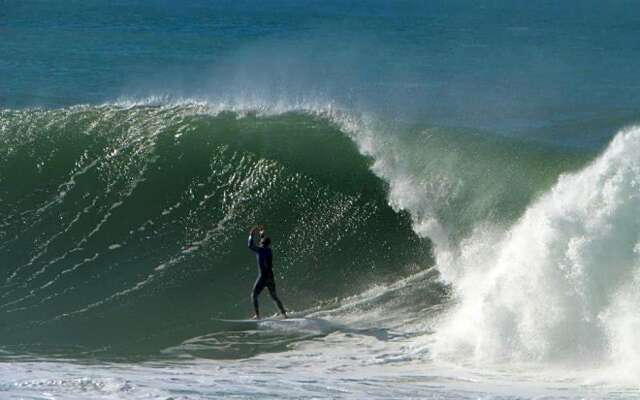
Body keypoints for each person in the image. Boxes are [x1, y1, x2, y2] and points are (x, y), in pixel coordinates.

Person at [247, 225, 287, 319]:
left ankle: (257, 315)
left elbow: (250, 245)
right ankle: (284, 314)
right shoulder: (269, 250)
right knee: (274, 297)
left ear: (261, 243)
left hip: (262, 277)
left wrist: (251, 234)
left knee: (254, 295)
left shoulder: (259, 250)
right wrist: (262, 234)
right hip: (270, 277)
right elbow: (264, 242)